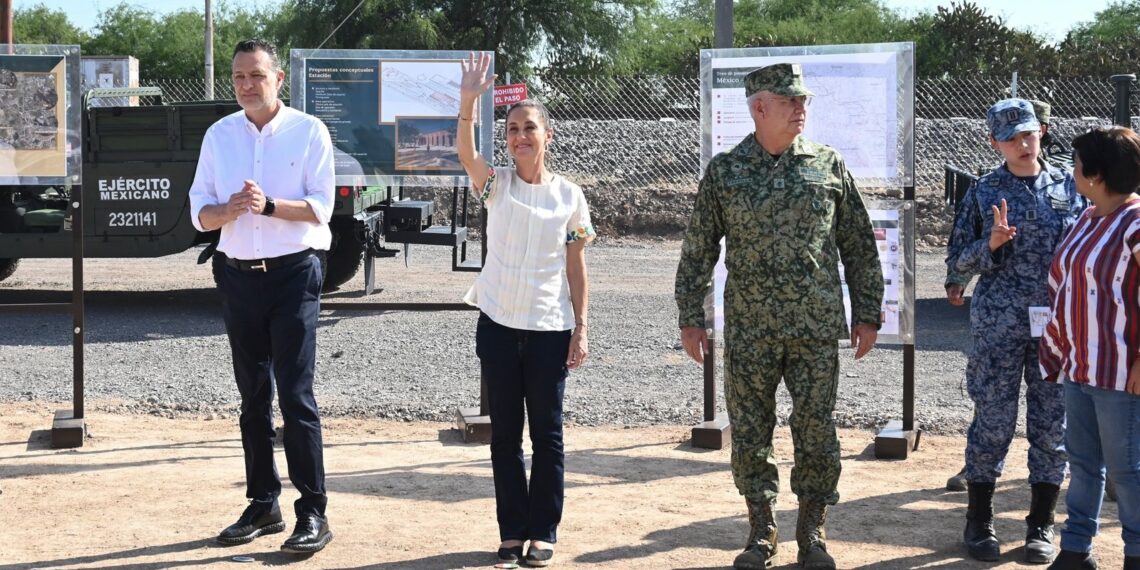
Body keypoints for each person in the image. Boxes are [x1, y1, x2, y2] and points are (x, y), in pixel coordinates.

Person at [674, 63, 883, 570]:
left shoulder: (827, 165)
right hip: (749, 330)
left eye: (803, 101)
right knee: (750, 430)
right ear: (759, 107)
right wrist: (690, 315)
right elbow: (699, 248)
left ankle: (812, 530)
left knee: (816, 428)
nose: (801, 109)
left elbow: (857, 243)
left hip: (813, 328)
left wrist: (869, 311)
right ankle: (760, 529)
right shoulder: (726, 171)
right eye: (790, 101)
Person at [188, 39, 335, 554]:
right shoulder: (219, 135)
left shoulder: (308, 131)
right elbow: (197, 211)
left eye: (256, 75)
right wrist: (224, 213)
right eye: (238, 77)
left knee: (295, 396)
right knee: (252, 397)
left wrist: (268, 205)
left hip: (294, 274)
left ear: (278, 79)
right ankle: (263, 502)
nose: (247, 85)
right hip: (236, 276)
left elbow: (321, 208)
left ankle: (313, 512)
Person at [457, 52, 594, 568]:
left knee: (548, 436)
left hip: (548, 330)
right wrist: (470, 99)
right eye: (513, 129)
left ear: (547, 135)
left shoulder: (569, 197)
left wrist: (581, 328)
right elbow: (465, 151)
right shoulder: (496, 185)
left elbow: (576, 267)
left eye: (529, 128)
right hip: (496, 325)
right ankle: (512, 532)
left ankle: (544, 532)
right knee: (505, 437)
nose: (520, 136)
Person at [946, 98, 1085, 564]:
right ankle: (979, 520)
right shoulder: (984, 191)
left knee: (1052, 425)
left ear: (1041, 132)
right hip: (999, 324)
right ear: (994, 142)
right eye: (1012, 138)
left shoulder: (1071, 184)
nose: (1023, 144)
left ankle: (1040, 524)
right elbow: (954, 264)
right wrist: (990, 244)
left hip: (1057, 325)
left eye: (1029, 134)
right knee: (993, 421)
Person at [1040, 126, 1140, 570]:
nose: (1072, 169)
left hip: (1121, 372)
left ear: (1095, 174)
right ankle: (1076, 550)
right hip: (1081, 367)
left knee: (1128, 471)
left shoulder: (1135, 222)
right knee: (1082, 465)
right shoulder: (1089, 216)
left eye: (1078, 162)